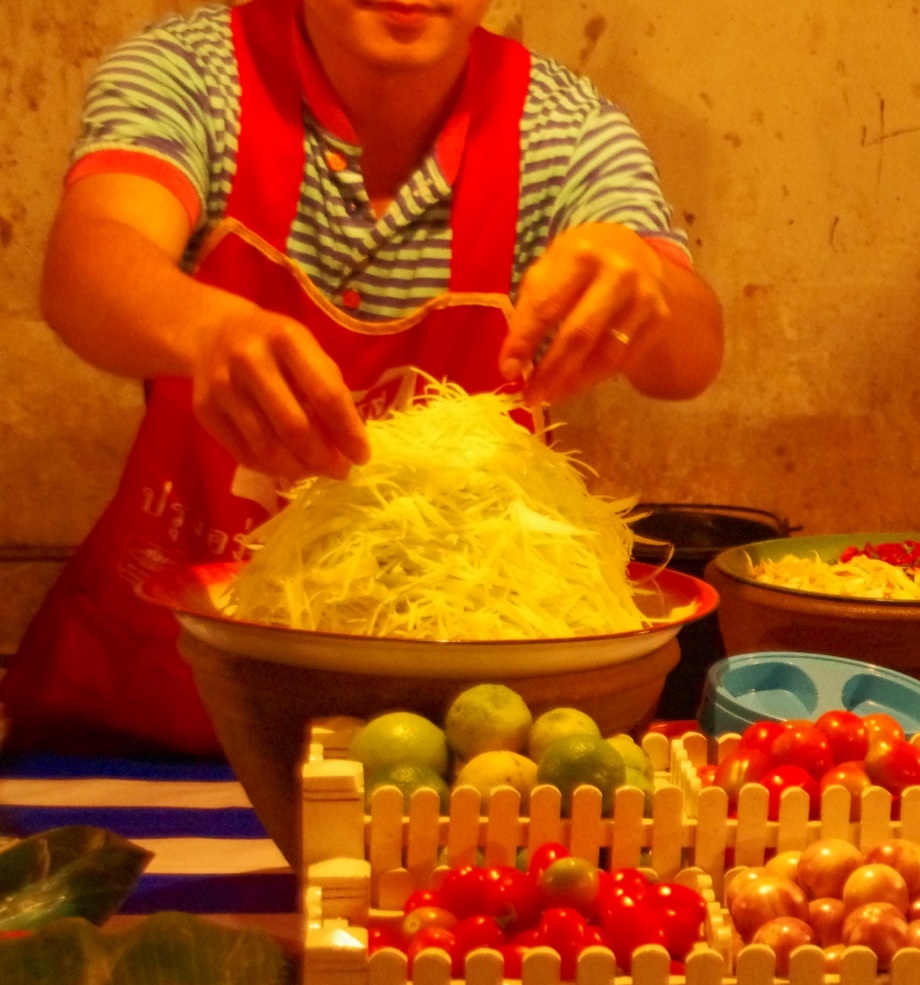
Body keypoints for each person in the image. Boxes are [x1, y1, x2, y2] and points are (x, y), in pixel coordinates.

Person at [1, 0, 723, 754]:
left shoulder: (564, 129)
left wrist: (644, 283)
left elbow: (690, 361)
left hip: (455, 722)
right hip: (164, 693)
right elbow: (88, 262)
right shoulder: (195, 72)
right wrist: (208, 329)